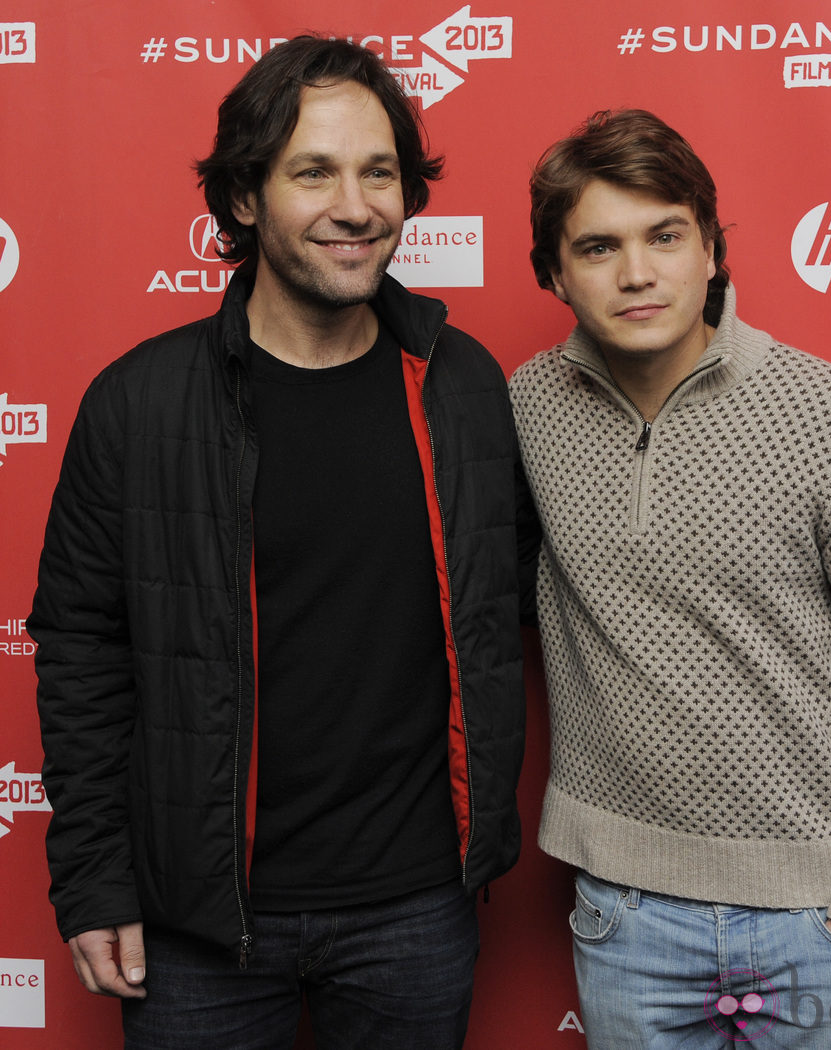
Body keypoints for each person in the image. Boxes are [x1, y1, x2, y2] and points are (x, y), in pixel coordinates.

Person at [29, 35, 535, 1050]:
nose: (355, 205)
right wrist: (93, 879)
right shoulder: (139, 404)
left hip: (415, 910)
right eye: (314, 171)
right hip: (196, 927)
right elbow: (82, 653)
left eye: (378, 171)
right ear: (246, 198)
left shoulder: (465, 387)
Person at [508, 109, 831, 1048]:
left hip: (822, 918)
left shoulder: (830, 413)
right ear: (553, 272)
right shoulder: (522, 412)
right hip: (626, 913)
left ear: (710, 248)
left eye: (665, 235)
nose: (637, 272)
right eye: (598, 246)